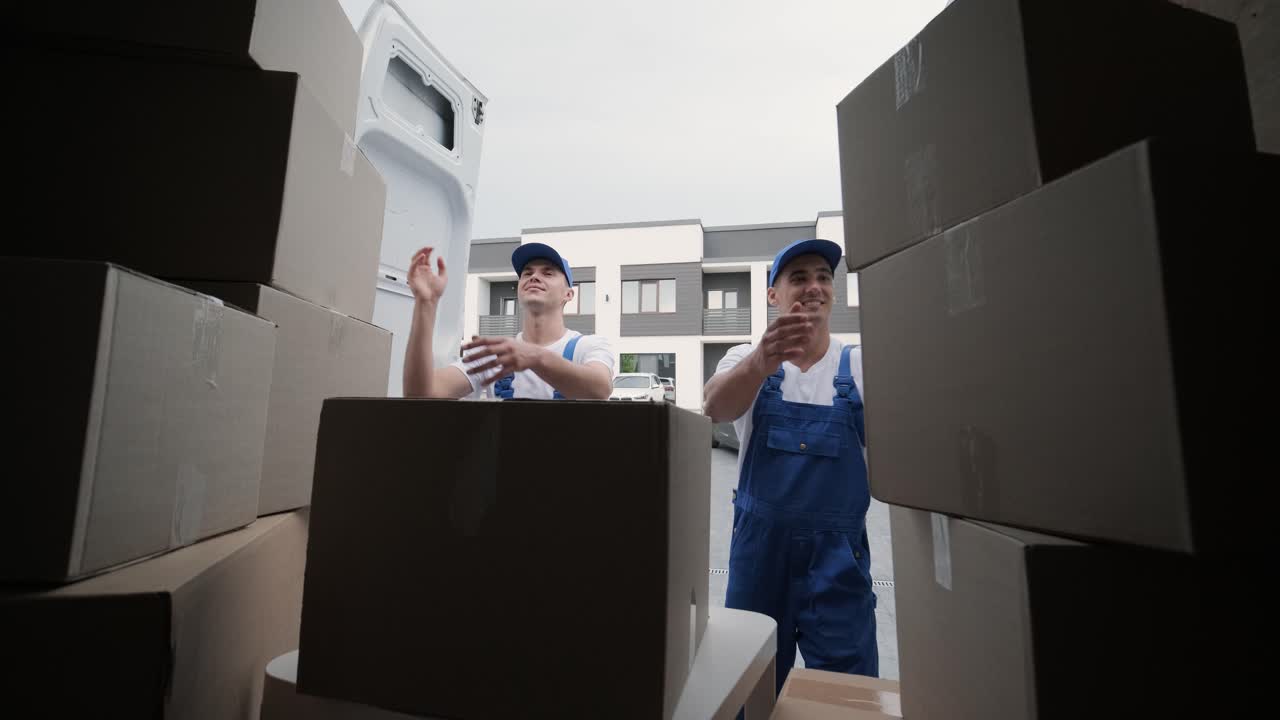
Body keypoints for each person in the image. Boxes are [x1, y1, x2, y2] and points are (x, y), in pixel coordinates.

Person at [703, 238, 877, 691]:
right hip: (760, 557)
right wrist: (763, 359)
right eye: (798, 277)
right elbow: (715, 407)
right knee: (746, 686)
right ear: (773, 295)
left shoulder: (859, 367)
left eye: (823, 277)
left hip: (839, 559)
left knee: (847, 694)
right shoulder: (746, 358)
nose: (814, 286)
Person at [402, 243, 614, 400]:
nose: (534, 277)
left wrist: (535, 357)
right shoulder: (493, 356)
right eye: (527, 273)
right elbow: (421, 393)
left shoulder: (589, 347)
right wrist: (426, 304)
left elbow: (600, 388)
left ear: (568, 294)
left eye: (548, 273)